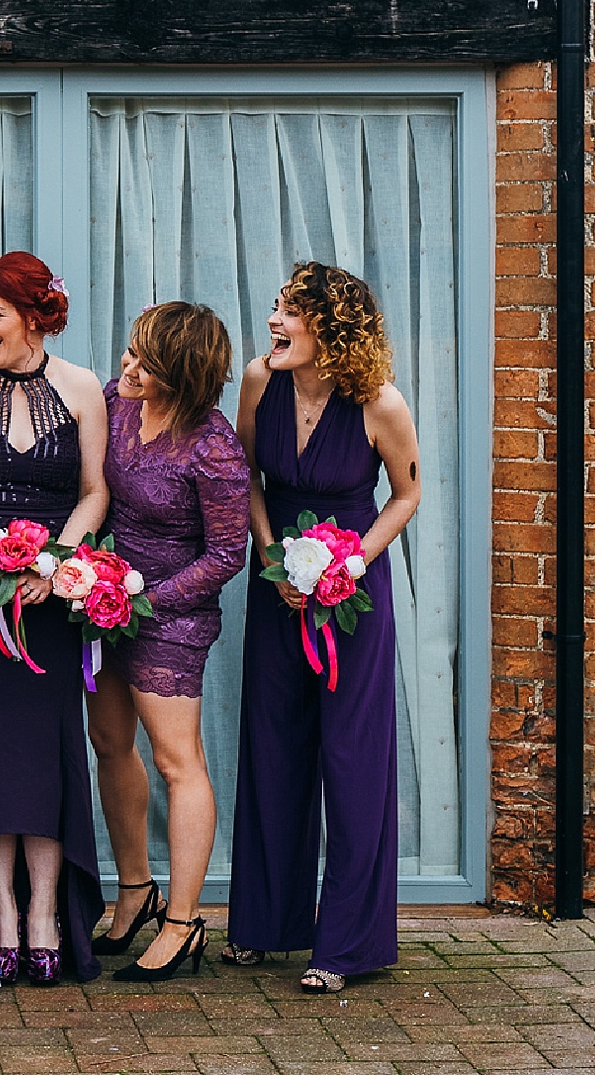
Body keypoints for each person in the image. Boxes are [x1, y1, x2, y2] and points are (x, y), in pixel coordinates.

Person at [224, 261, 421, 994]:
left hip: (352, 600)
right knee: (273, 744)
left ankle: (348, 943)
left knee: (352, 758)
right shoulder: (259, 381)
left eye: (289, 313)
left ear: (332, 328)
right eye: (275, 307)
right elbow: (245, 473)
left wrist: (351, 565)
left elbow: (407, 493)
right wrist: (271, 552)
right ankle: (266, 924)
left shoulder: (380, 403)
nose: (274, 322)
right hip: (279, 589)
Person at [0, 251, 110, 986]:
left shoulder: (81, 388)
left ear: (35, 315)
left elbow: (96, 490)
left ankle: (45, 912)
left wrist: (56, 563)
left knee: (44, 754)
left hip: (50, 601)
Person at [85, 302, 250, 981]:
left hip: (172, 617)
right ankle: (134, 890)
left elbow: (227, 552)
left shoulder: (214, 447)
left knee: (177, 760)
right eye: (129, 352)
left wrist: (149, 600)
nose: (127, 366)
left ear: (180, 373)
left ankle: (182, 921)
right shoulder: (115, 403)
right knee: (109, 743)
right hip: (105, 601)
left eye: (144, 360)